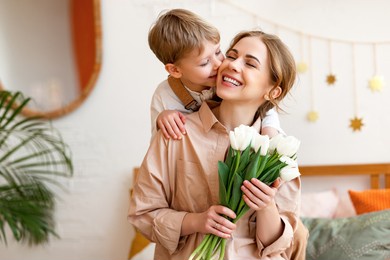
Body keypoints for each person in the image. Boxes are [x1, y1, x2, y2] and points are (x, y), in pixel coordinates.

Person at [129, 30, 308, 259]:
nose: (232, 65)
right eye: (231, 56)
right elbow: (142, 214)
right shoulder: (175, 133)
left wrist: (266, 206)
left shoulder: (279, 154)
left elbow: (280, 246)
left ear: (273, 91)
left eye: (250, 64)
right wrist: (194, 221)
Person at [148, 9, 283, 140]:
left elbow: (262, 104)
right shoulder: (164, 95)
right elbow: (159, 146)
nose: (218, 64)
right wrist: (162, 118)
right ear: (175, 70)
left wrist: (269, 128)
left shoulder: (225, 80)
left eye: (218, 52)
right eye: (205, 62)